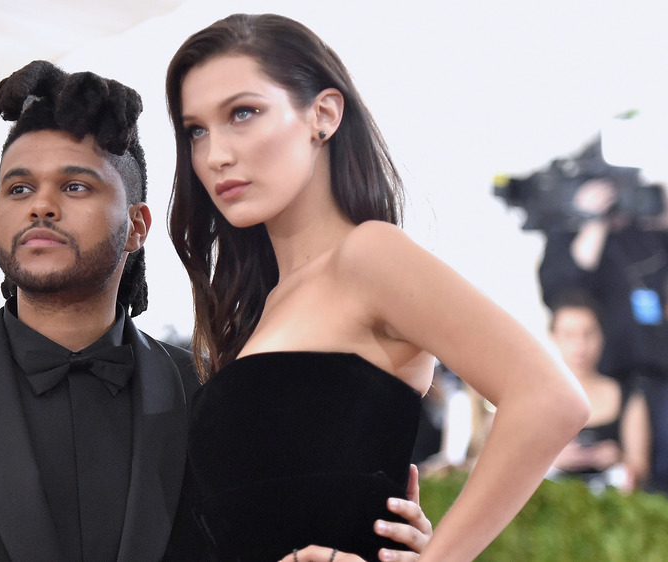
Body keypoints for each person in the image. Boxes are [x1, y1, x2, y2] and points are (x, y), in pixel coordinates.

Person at [0, 60, 431, 561]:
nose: (41, 205)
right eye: (18, 187)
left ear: (137, 226)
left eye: (76, 186)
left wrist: (384, 547)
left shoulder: (220, 401)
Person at [165, 13, 589, 561]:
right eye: (196, 129)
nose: (215, 154)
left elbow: (550, 398)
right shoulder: (265, 305)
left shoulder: (369, 256)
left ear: (323, 114)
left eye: (243, 113)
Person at [539, 178, 668, 494]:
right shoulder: (567, 234)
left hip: (659, 373)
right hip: (609, 378)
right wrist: (593, 222)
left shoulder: (648, 236)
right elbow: (562, 292)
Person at [545, 290, 650, 491]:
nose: (580, 345)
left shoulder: (628, 396)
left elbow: (639, 467)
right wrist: (552, 462)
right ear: (554, 337)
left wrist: (618, 460)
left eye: (588, 334)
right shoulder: (536, 400)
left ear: (602, 335)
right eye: (569, 335)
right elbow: (510, 468)